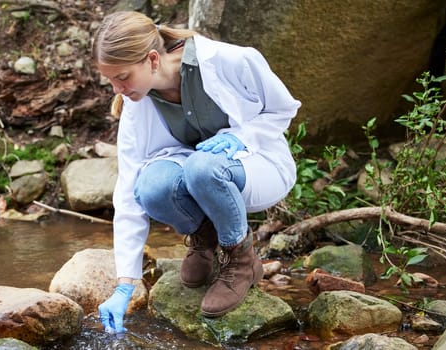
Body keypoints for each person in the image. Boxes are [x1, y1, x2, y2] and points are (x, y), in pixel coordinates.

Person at [92, 11, 301, 333]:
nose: (117, 89)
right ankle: (205, 239)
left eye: (122, 77)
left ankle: (240, 260)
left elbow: (283, 108)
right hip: (196, 173)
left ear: (151, 59)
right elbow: (129, 190)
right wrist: (125, 284)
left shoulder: (232, 60)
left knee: (203, 168)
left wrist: (240, 137)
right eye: (110, 80)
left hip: (256, 167)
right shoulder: (138, 102)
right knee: (150, 187)